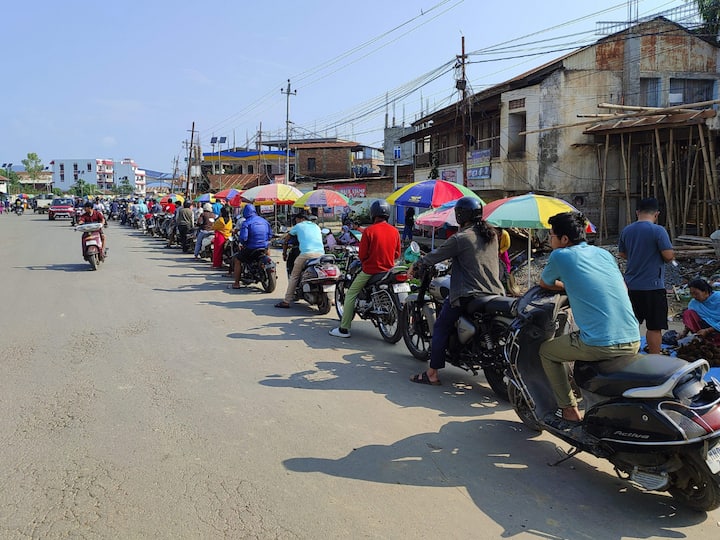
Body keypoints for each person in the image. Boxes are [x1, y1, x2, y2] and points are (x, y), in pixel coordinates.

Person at [539, 211, 640, 425]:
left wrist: (566, 286)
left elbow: (545, 283)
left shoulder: (560, 256)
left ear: (564, 239)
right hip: (633, 337)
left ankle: (568, 410)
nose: (549, 239)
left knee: (547, 351)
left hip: (601, 343)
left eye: (551, 235)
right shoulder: (604, 254)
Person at [409, 197, 505, 385]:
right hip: (494, 291)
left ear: (461, 215)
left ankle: (432, 374)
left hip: (469, 293)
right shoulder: (491, 234)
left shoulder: (461, 238)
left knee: (441, 326)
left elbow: (435, 256)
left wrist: (416, 264)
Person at [329, 200, 402, 338]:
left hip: (371, 270)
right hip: (389, 270)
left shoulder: (369, 231)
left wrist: (366, 261)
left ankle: (343, 329)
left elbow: (362, 255)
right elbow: (397, 254)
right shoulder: (395, 231)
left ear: (373, 213)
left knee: (351, 293)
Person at [617, 197, 674, 354]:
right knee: (654, 327)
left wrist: (637, 256)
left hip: (630, 286)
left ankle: (628, 357)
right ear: (656, 214)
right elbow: (668, 256)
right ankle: (655, 359)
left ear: (637, 213)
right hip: (653, 287)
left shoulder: (626, 230)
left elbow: (622, 253)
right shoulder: (658, 231)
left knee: (631, 324)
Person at [276, 211, 324, 308]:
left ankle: (286, 301)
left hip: (306, 254)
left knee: (294, 276)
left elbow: (286, 239)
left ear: (301, 219)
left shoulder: (298, 226)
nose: (296, 222)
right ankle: (331, 299)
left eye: (296, 220)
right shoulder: (316, 226)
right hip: (321, 254)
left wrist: (284, 253)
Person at [230, 204, 273, 289]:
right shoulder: (264, 221)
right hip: (264, 247)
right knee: (267, 253)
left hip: (251, 248)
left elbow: (243, 238)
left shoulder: (246, 223)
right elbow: (270, 235)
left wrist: (244, 243)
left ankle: (236, 283)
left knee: (237, 260)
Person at [680, 278, 720, 345]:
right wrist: (684, 333)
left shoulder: (718, 298)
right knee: (688, 313)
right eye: (691, 294)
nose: (693, 296)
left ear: (706, 291)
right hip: (704, 329)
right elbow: (690, 319)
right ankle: (702, 339)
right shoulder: (694, 303)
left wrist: (707, 330)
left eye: (696, 294)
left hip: (716, 329)